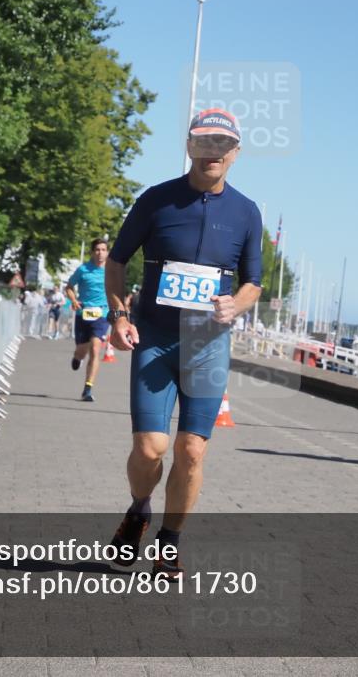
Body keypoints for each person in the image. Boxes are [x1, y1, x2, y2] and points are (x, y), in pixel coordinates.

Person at [104, 108, 262, 580]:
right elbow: (117, 261)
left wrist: (236, 304)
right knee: (150, 448)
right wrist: (119, 315)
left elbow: (254, 283)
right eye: (204, 141)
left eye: (223, 144)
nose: (213, 151)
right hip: (155, 339)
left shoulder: (246, 212)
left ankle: (170, 542)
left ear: (235, 153)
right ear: (190, 147)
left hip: (207, 346)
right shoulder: (156, 200)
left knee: (192, 450)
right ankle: (139, 509)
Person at [65, 239, 111, 402]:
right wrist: (73, 300)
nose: (100, 253)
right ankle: (78, 357)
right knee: (81, 350)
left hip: (102, 314)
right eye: (97, 250)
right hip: (83, 313)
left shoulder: (111, 270)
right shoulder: (83, 269)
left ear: (107, 252)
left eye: (103, 250)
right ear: (92, 252)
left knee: (96, 348)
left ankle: (88, 389)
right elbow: (69, 287)